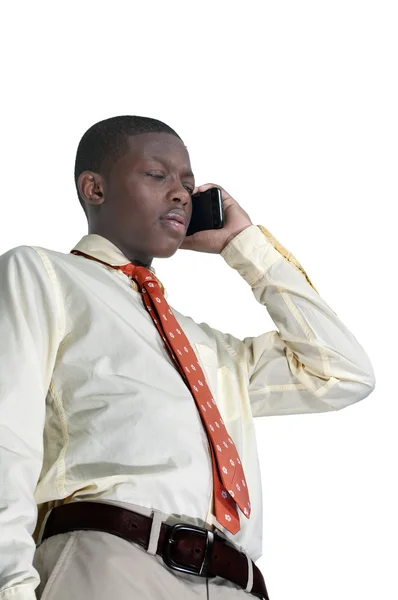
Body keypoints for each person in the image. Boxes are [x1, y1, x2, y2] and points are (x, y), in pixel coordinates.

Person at [0, 115, 375, 600]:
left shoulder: (210, 349)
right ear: (94, 188)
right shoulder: (42, 273)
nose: (180, 194)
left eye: (189, 185)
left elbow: (344, 371)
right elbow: (7, 433)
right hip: (113, 562)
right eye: (157, 175)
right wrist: (11, 584)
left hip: (235, 582)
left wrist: (245, 247)